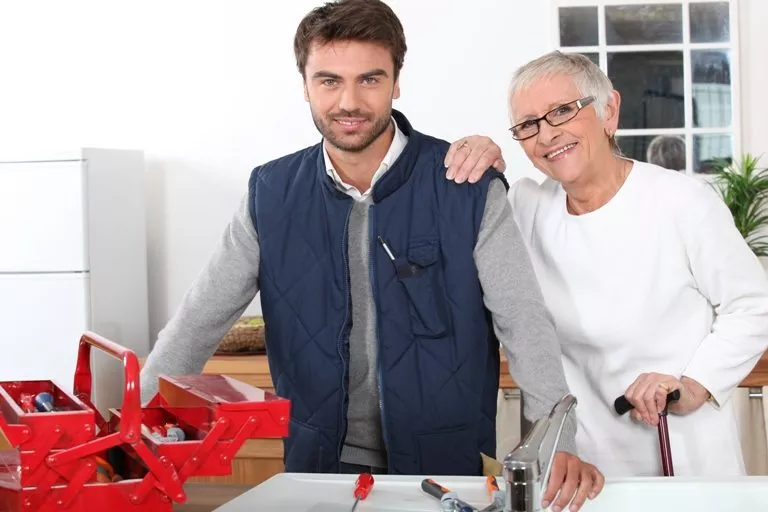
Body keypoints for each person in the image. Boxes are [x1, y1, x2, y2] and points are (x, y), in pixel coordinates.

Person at [140, 2, 604, 510]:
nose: (349, 101)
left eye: (369, 79)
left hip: (445, 465)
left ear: (396, 83)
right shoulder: (269, 193)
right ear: (305, 85)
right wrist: (132, 418)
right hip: (319, 466)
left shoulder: (465, 186)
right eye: (329, 81)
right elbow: (199, 319)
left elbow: (523, 322)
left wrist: (559, 438)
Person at [447, 50, 768, 477]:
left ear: (609, 110)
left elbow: (753, 305)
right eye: (528, 125)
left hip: (684, 452)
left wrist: (693, 385)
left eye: (562, 111)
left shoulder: (682, 202)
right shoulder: (526, 205)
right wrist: (479, 154)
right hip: (580, 461)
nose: (546, 135)